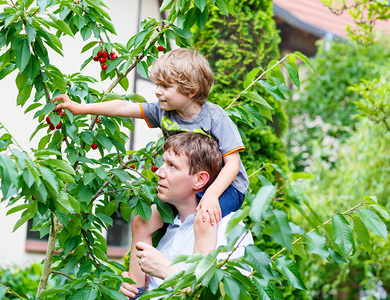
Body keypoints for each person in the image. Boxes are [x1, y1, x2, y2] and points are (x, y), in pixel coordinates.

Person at [53, 48, 249, 289]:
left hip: (226, 186)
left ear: (191, 91)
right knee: (142, 221)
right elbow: (124, 108)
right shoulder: (163, 111)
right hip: (193, 187)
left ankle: (197, 284)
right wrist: (80, 108)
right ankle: (136, 290)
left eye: (166, 86)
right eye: (158, 84)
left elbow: (233, 164)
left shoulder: (215, 118)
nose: (157, 91)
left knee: (204, 219)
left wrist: (211, 196)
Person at [118, 132, 253, 299]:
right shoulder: (168, 226)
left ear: (199, 180)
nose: (159, 172)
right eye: (163, 163)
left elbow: (229, 295)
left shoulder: (229, 228)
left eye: (172, 166)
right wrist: (135, 291)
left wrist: (166, 271)